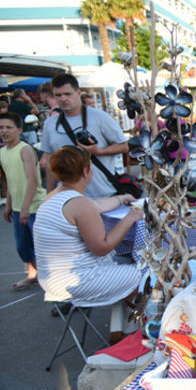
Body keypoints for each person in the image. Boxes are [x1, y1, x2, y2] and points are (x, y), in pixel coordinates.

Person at [34, 146, 143, 344]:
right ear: (86, 171)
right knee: (148, 273)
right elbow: (102, 247)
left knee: (125, 263)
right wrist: (130, 218)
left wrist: (122, 198)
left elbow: (97, 206)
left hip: (53, 280)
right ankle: (139, 330)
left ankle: (121, 330)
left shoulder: (54, 197)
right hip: (78, 281)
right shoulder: (79, 203)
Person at [39, 74, 129, 199]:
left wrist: (99, 151)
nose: (63, 99)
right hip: (67, 198)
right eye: (58, 95)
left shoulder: (100, 117)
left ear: (78, 92)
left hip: (103, 195)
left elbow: (124, 146)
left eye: (67, 94)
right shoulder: (50, 123)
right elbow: (50, 162)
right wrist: (49, 195)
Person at [0, 112, 46, 291]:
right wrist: (9, 205)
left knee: (39, 245)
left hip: (33, 206)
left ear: (18, 130)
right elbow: (10, 180)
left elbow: (32, 180)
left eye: (8, 127)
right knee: (22, 246)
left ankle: (48, 279)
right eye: (1, 127)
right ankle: (34, 274)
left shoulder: (24, 149)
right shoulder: (2, 151)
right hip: (18, 207)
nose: (4, 131)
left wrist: (25, 207)